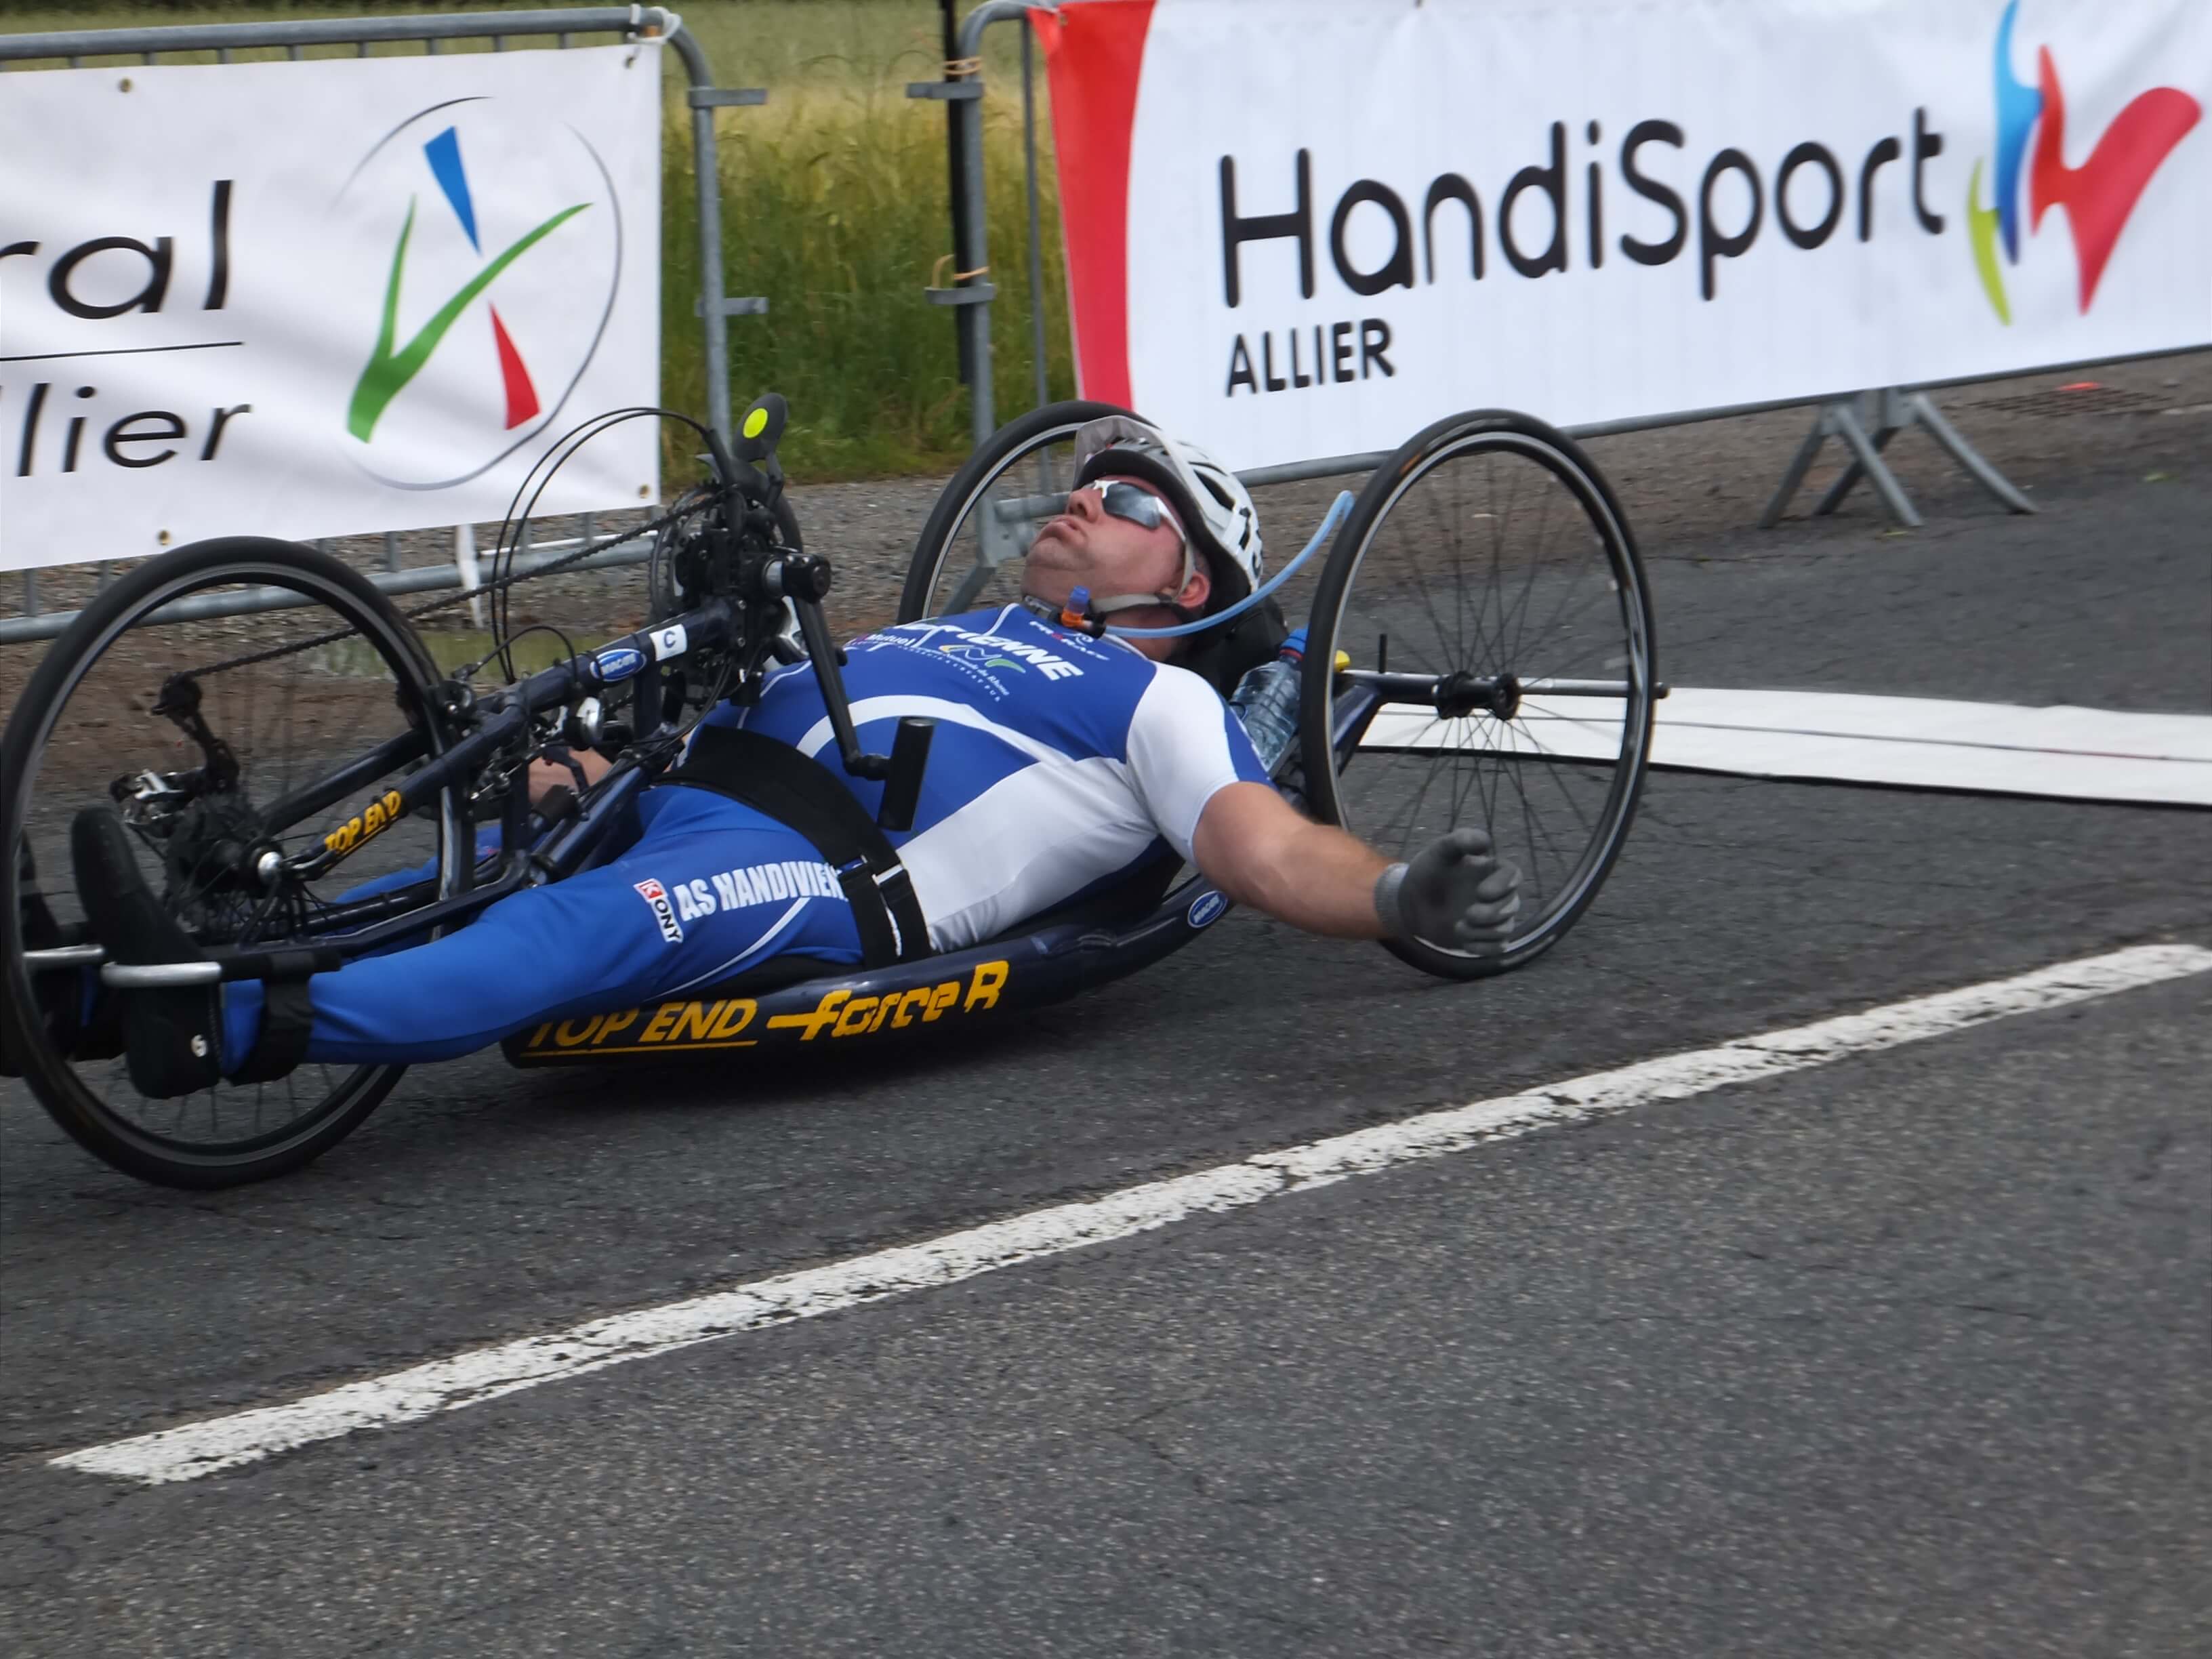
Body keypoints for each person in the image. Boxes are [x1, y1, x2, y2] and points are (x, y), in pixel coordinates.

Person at [70, 417, 1520, 1097]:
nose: (1079, 498)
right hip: (693, 785)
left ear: (1192, 584)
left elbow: (1261, 850)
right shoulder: (956, 623)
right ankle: (80, 997)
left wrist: (1394, 895)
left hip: (814, 870)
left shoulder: (1162, 708)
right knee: (447, 844)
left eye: (1126, 498)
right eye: (1077, 483)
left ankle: (231, 1034)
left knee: (578, 929)